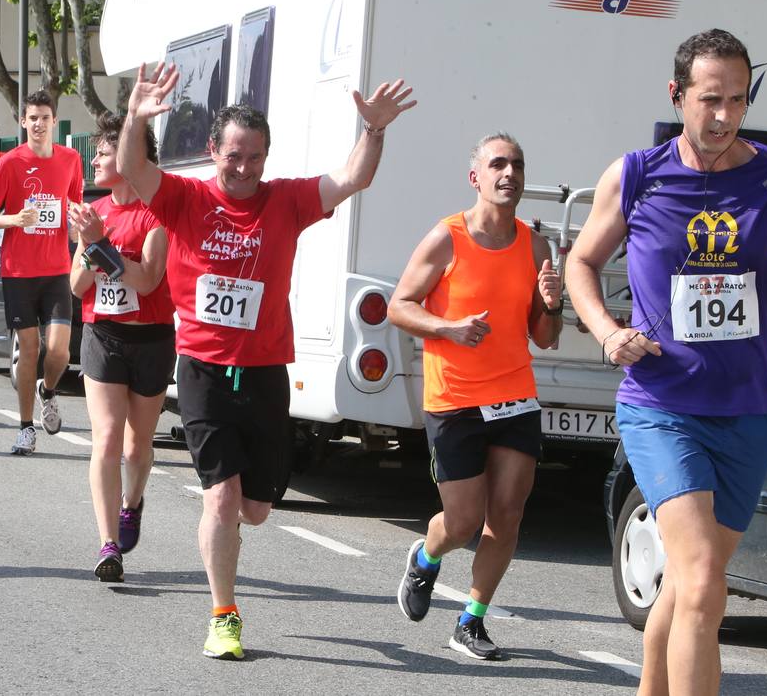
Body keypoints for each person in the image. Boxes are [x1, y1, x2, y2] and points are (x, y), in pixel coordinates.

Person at [117, 61, 415, 660]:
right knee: (222, 499)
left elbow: (352, 178)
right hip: (201, 370)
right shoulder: (185, 198)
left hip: (265, 375)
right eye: (234, 156)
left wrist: (375, 131)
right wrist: (134, 116)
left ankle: (232, 550)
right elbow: (131, 169)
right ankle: (224, 615)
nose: (245, 167)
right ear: (213, 151)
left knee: (255, 509)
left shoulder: (287, 201)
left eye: (255, 157)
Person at [565, 29, 767, 696]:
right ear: (677, 94)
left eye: (738, 101)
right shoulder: (635, 175)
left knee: (690, 588)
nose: (723, 116)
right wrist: (606, 329)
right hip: (662, 408)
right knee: (703, 586)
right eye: (710, 99)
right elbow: (580, 261)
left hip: (746, 412)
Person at [387, 133, 562, 660]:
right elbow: (400, 305)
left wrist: (552, 305)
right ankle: (425, 557)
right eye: (498, 164)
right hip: (456, 399)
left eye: (518, 165)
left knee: (506, 514)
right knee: (462, 522)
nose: (509, 173)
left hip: (515, 396)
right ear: (476, 177)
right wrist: (448, 327)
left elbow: (544, 336)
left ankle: (471, 620)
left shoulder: (535, 244)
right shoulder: (448, 237)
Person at [68, 114, 172, 584]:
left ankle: (133, 502)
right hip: (103, 334)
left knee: (138, 445)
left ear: (131, 158)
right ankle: (109, 544)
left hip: (150, 336)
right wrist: (91, 246)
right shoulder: (96, 212)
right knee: (107, 438)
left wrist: (100, 246)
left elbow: (148, 281)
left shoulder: (158, 214)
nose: (94, 160)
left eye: (104, 152)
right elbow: (76, 285)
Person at [0, 89, 84, 455]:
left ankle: (48, 390)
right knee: (30, 347)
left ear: (55, 121)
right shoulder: (10, 162)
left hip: (57, 270)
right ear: (23, 122)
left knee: (59, 352)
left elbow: (74, 207)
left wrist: (75, 227)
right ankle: (25, 427)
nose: (38, 124)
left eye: (45, 117)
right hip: (19, 272)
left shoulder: (71, 159)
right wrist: (15, 219)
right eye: (32, 118)